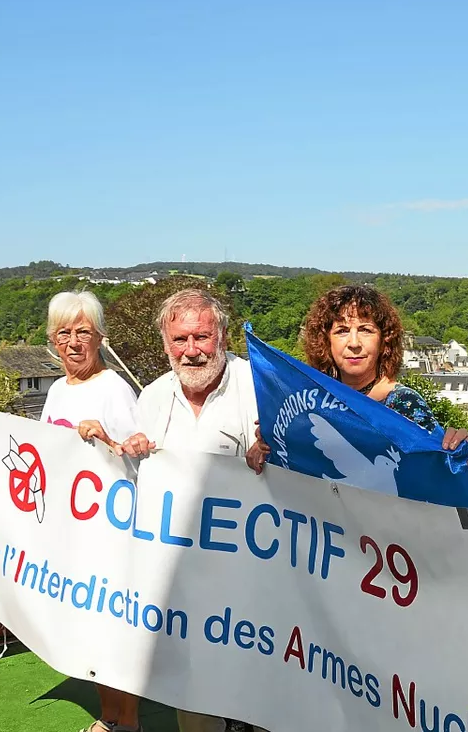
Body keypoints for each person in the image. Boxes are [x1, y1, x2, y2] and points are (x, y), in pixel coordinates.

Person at [117, 289, 261, 732]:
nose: (192, 351)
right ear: (165, 343)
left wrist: (270, 454)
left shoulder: (256, 385)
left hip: (252, 574)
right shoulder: (153, 397)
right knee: (191, 687)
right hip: (179, 574)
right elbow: (136, 482)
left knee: (257, 688)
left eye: (203, 337)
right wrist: (129, 451)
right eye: (180, 340)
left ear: (222, 336)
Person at [40, 291, 142, 732]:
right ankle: (109, 716)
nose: (74, 342)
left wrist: (104, 438)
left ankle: (131, 722)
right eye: (64, 332)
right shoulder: (58, 389)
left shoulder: (114, 388)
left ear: (100, 337)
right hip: (69, 533)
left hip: (110, 534)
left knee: (115, 632)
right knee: (89, 631)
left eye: (83, 331)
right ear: (52, 340)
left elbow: (139, 457)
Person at [246, 284, 468, 473]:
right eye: (342, 331)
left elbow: (434, 477)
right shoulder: (310, 402)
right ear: (326, 342)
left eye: (365, 330)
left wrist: (460, 457)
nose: (354, 343)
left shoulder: (404, 404)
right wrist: (269, 447)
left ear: (384, 341)